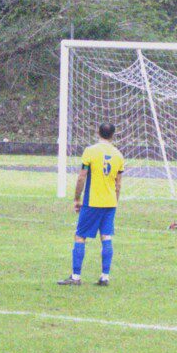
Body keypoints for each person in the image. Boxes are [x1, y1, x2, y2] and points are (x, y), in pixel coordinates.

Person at [58, 123, 124, 287]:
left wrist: (76, 198)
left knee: (80, 236)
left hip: (92, 201)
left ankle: (75, 276)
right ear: (113, 135)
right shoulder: (118, 155)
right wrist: (115, 201)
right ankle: (104, 276)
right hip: (110, 202)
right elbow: (118, 184)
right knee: (106, 237)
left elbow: (82, 177)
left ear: (98, 132)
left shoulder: (90, 151)